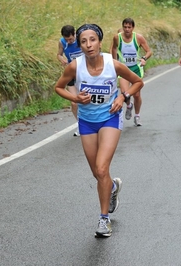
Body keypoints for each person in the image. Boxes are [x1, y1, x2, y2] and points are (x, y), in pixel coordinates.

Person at [55, 24, 144, 237]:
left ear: (99, 41)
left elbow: (137, 82)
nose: (88, 45)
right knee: (97, 172)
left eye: (92, 40)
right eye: (84, 41)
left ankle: (104, 220)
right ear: (80, 45)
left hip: (110, 119)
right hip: (87, 122)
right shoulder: (74, 67)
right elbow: (58, 87)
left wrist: (123, 96)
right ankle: (112, 188)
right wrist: (75, 98)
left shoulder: (113, 65)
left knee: (102, 168)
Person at [111, 18, 152, 126]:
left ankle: (137, 115)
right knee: (125, 94)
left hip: (135, 69)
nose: (127, 29)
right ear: (122, 27)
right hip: (123, 69)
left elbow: (149, 51)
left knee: (137, 94)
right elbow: (114, 48)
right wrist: (114, 62)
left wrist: (144, 58)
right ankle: (129, 105)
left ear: (133, 28)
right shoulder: (117, 37)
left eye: (129, 27)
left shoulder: (138, 38)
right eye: (125, 27)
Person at [57, 25, 84, 136]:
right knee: (74, 102)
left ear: (74, 33)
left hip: (84, 75)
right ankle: (80, 125)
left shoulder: (82, 39)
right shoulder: (62, 42)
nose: (69, 41)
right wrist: (62, 59)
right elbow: (58, 54)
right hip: (71, 74)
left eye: (71, 39)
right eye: (67, 39)